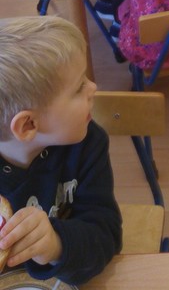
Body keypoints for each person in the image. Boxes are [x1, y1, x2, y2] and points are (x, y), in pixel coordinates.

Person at [0, 16, 122, 284]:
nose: (93, 87)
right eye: (79, 87)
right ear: (29, 124)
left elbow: (106, 235)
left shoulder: (88, 144)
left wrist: (56, 244)